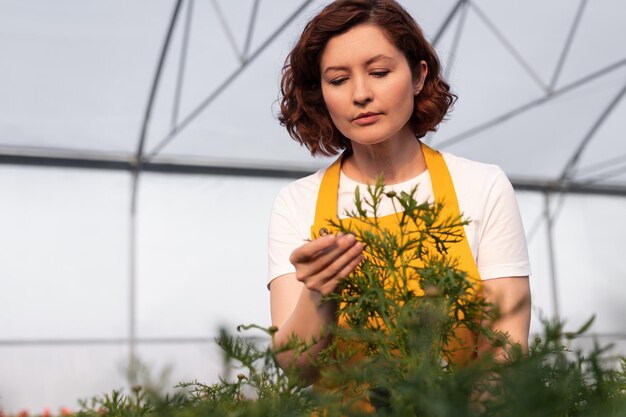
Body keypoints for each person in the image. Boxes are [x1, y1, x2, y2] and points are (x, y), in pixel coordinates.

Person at [267, 0, 531, 385]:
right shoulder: (297, 203)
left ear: (419, 75)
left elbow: (504, 352)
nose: (360, 94)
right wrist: (319, 294)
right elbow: (297, 368)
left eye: (379, 72)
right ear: (321, 93)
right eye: (338, 80)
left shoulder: (482, 186)